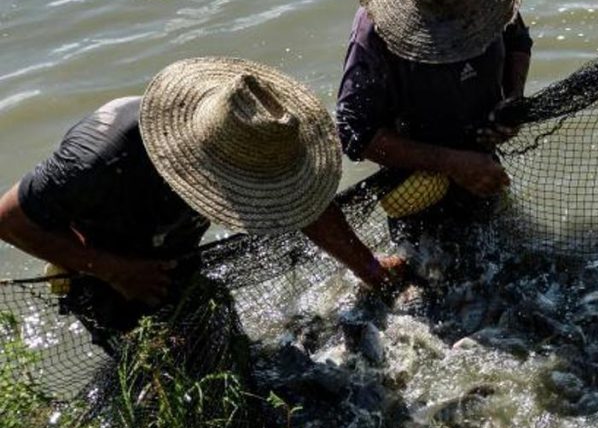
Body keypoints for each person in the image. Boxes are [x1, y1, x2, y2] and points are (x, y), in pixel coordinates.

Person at [0, 57, 403, 353]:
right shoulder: (102, 158)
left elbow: (305, 205)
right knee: (158, 370)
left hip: (174, 250)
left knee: (217, 350)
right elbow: (10, 219)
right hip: (107, 269)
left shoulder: (253, 135)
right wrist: (116, 271)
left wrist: (368, 268)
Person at [336, 0, 532, 249]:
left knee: (507, 254)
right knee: (426, 272)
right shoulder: (373, 29)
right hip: (417, 182)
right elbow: (354, 132)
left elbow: (518, 41)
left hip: (483, 162)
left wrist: (513, 99)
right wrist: (452, 163)